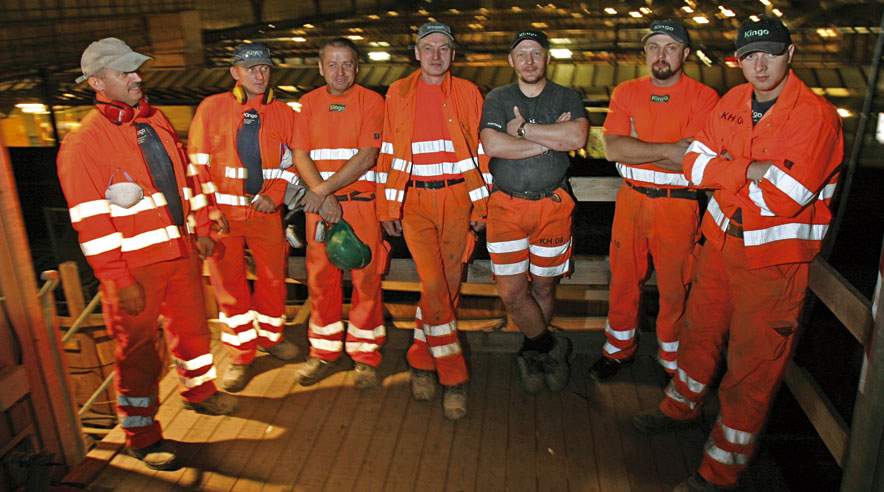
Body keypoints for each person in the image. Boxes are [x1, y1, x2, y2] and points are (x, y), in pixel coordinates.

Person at [632, 17, 843, 492]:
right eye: (749, 56)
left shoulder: (814, 117)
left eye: (768, 53)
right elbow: (692, 165)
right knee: (698, 333)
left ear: (790, 54)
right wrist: (750, 170)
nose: (759, 64)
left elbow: (782, 200)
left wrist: (725, 170)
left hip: (772, 267)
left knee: (751, 369)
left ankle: (719, 472)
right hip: (719, 248)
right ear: (739, 61)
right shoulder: (732, 102)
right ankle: (680, 407)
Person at [57, 38, 236, 470]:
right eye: (125, 73)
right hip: (135, 268)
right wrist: (118, 279)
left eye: (136, 70)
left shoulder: (153, 123)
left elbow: (184, 185)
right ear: (98, 83)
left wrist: (201, 230)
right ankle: (141, 432)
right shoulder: (83, 145)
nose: (137, 78)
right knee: (137, 351)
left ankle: (199, 391)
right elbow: (91, 223)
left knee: (192, 329)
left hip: (180, 251)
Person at [590, 19, 719, 381]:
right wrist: (668, 148)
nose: (661, 55)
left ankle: (671, 359)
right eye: (654, 47)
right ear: (645, 52)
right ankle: (618, 350)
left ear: (686, 54)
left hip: (678, 204)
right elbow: (613, 147)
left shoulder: (704, 97)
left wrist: (639, 147)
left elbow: (692, 157)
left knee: (675, 287)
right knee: (623, 280)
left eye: (671, 47)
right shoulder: (626, 91)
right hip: (630, 201)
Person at [375, 22, 489, 420]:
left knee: (447, 286)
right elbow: (388, 152)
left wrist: (480, 206)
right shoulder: (398, 92)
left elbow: (481, 153)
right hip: (415, 202)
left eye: (443, 48)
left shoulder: (468, 93)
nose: (436, 55)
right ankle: (453, 375)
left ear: (452, 54)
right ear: (416, 52)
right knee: (435, 283)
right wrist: (387, 206)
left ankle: (421, 359)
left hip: (458, 199)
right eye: (428, 47)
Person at [479, 29, 588, 393]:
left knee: (543, 285)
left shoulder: (566, 94)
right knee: (511, 292)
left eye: (536, 53)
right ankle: (550, 344)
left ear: (547, 58)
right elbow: (493, 143)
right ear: (511, 61)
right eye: (521, 54)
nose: (528, 60)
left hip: (553, 205)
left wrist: (523, 130)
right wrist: (547, 142)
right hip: (505, 205)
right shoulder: (497, 97)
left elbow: (576, 139)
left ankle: (532, 352)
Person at [188, 42, 300, 392]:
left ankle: (271, 336)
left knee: (272, 277)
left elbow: (295, 163)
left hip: (265, 213)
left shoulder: (285, 114)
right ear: (235, 72)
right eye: (250, 68)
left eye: (264, 68)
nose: (259, 74)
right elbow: (196, 167)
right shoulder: (211, 109)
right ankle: (240, 353)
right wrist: (208, 212)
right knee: (228, 285)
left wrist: (275, 195)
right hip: (224, 218)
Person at [291, 37, 387, 388]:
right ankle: (323, 351)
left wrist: (322, 192)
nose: (340, 71)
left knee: (366, 280)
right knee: (321, 281)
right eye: (332, 64)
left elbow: (367, 156)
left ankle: (365, 355)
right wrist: (324, 195)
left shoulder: (371, 101)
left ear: (357, 66)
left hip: (359, 206)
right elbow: (300, 154)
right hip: (321, 208)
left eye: (347, 63)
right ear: (320, 68)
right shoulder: (308, 103)